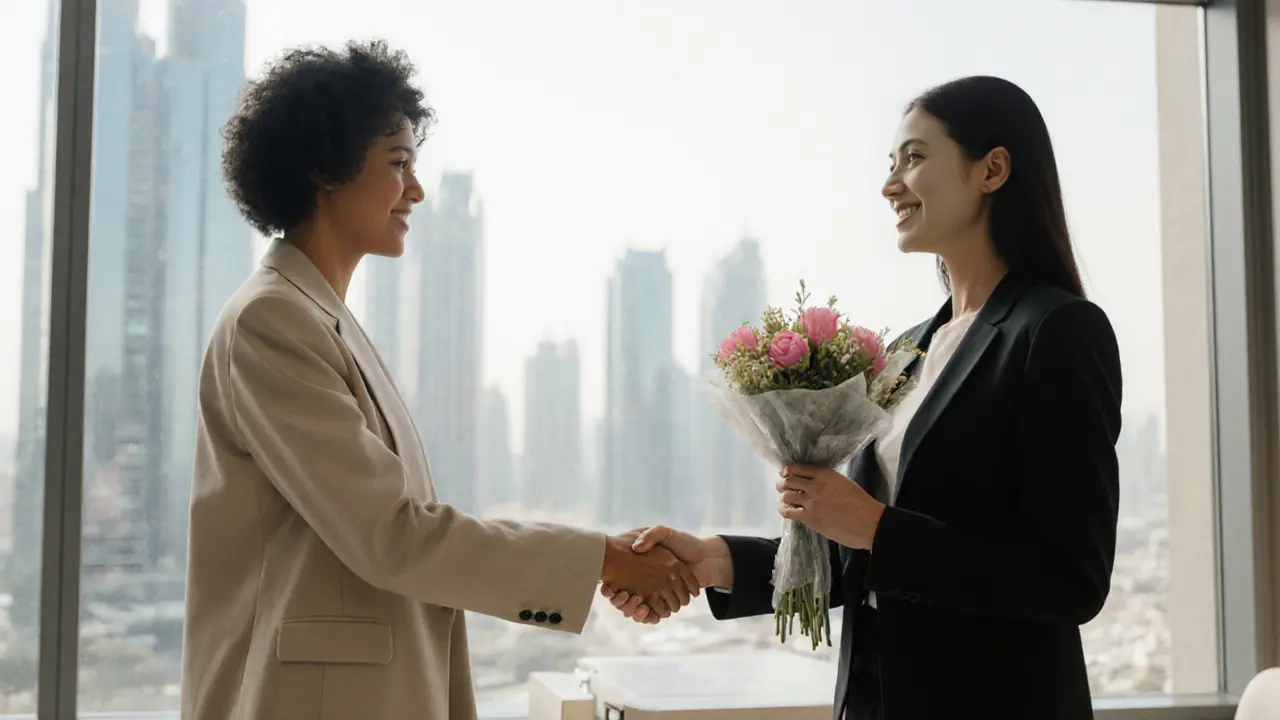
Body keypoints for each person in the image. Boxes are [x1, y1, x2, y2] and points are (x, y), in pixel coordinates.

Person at [180, 40, 698, 720]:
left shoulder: (322, 319)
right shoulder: (271, 321)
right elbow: (392, 534)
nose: (416, 191)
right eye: (398, 164)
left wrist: (601, 557)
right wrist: (601, 558)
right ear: (323, 169)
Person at [603, 75, 1123, 720]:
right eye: (890, 163)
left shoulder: (1056, 330)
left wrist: (877, 526)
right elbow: (863, 555)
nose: (890, 185)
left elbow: (1071, 580)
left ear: (991, 170)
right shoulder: (907, 350)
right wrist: (714, 560)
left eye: (914, 157)